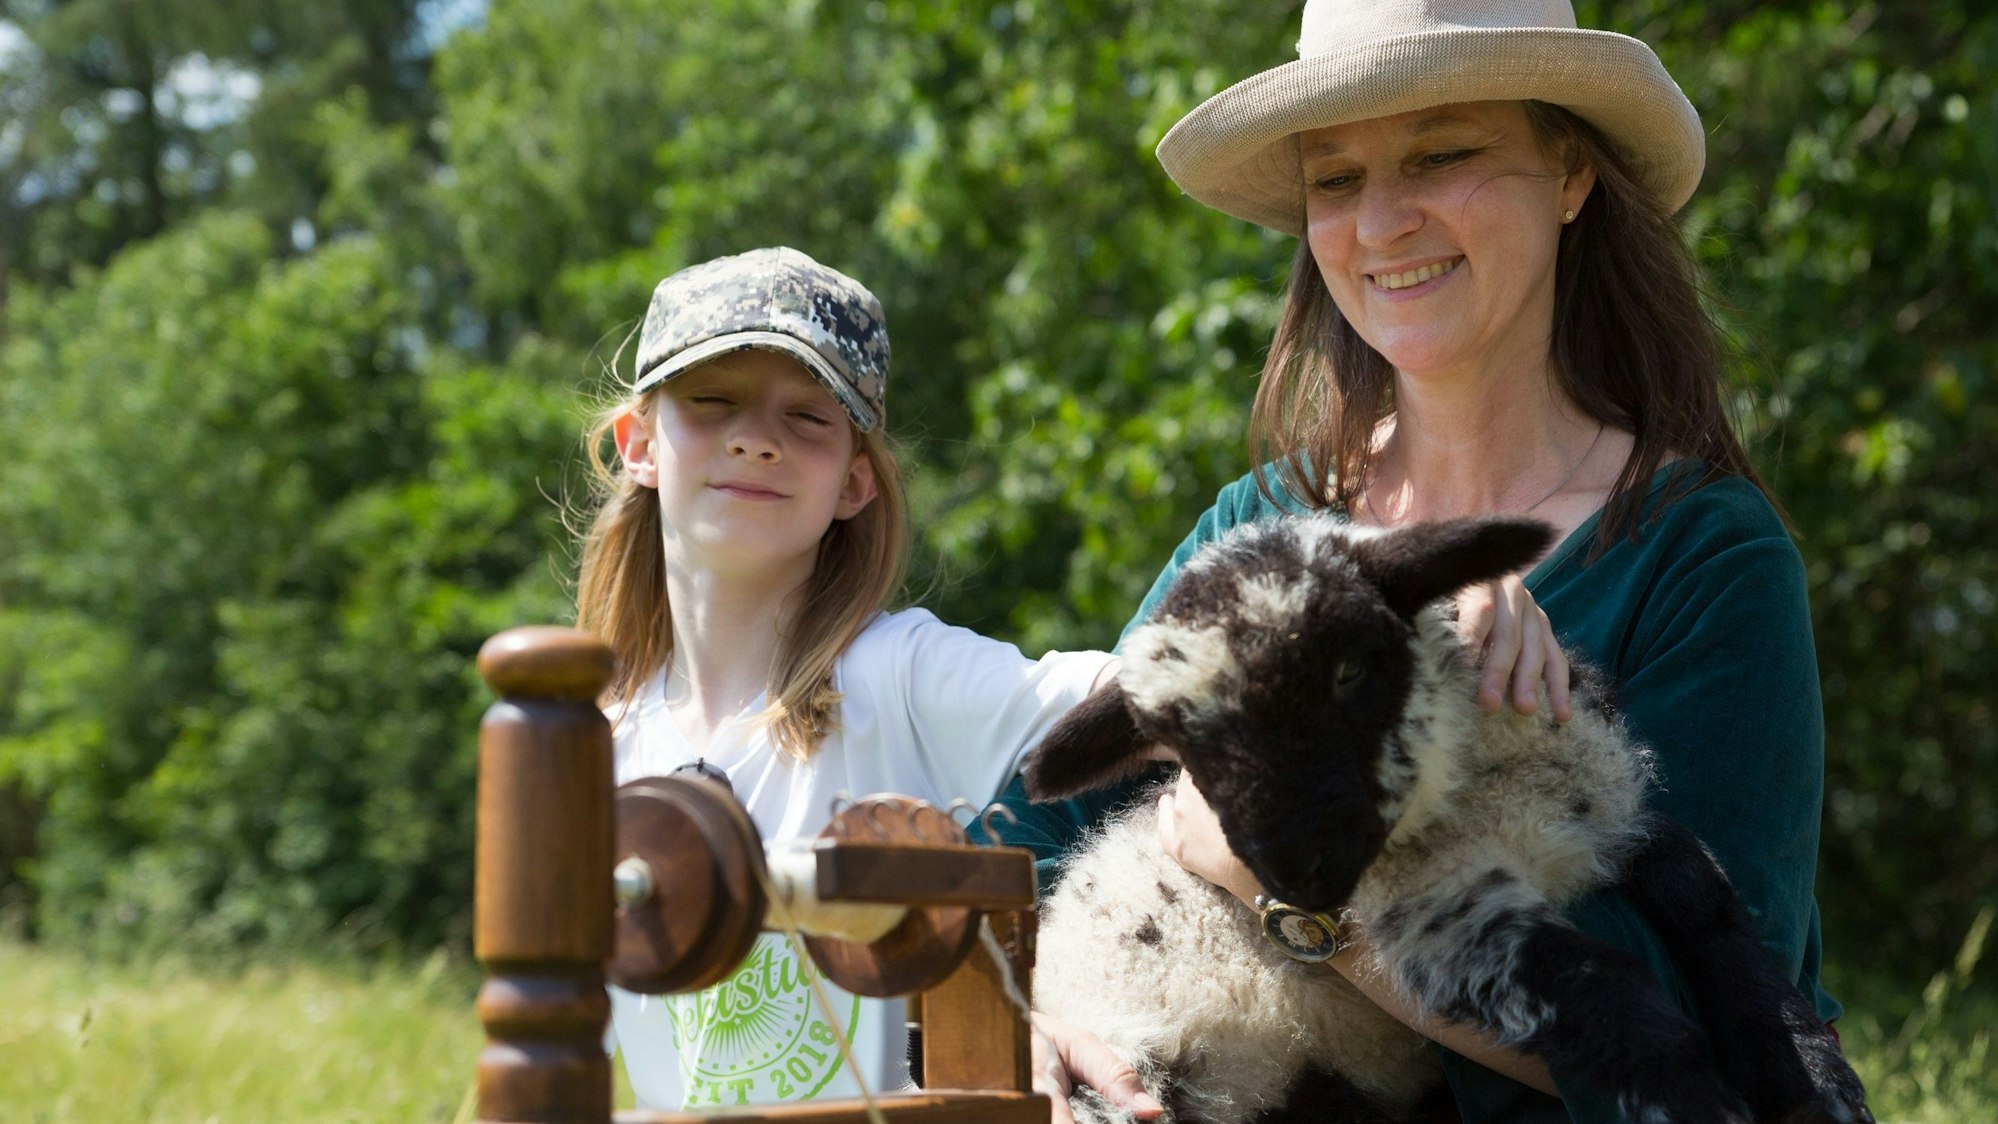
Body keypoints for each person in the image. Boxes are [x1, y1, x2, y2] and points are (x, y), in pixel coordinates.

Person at [995, 1, 1842, 1121]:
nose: (1383, 221)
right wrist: (1034, 1017)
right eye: (1335, 180)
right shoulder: (1259, 528)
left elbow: (1709, 1035)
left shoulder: (1704, 554)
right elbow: (1017, 849)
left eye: (1444, 153)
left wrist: (1296, 892)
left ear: (1572, 172)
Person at [574, 246, 1119, 1111]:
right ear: (638, 443)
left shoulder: (900, 675)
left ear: (855, 482)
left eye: (809, 417)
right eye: (710, 402)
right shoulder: (585, 752)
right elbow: (556, 1049)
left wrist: (1068, 1002)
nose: (755, 437)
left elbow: (1165, 700)